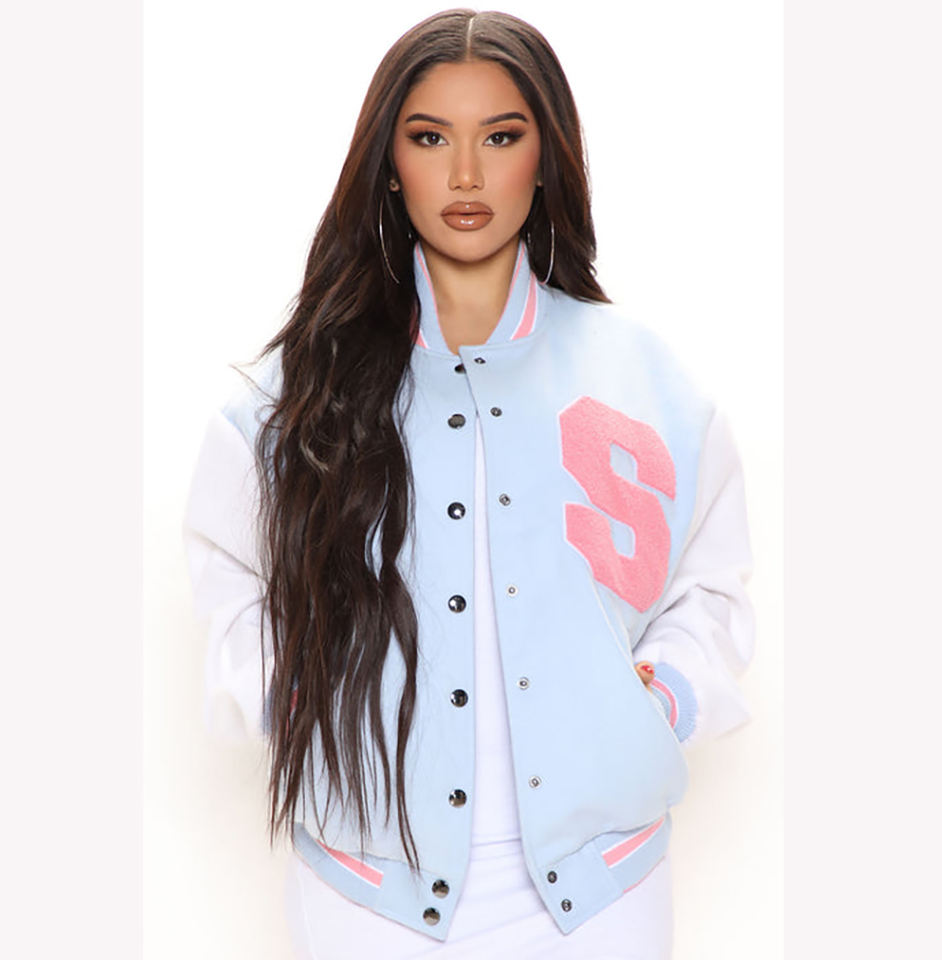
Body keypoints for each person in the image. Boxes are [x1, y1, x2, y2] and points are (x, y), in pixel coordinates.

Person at [182, 9, 756, 958]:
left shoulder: (645, 380)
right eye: (428, 138)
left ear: (547, 156)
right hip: (369, 888)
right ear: (389, 162)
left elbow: (711, 586)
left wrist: (660, 704)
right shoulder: (298, 396)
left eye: (499, 137)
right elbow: (230, 581)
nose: (464, 175)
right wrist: (298, 699)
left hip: (603, 886)